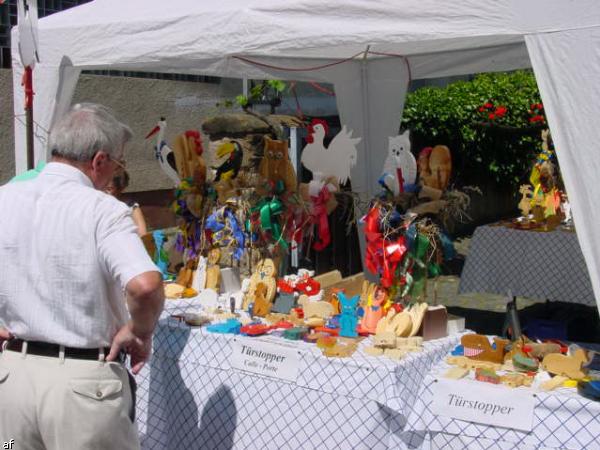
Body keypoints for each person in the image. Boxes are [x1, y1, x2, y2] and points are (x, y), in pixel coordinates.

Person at [0, 103, 165, 449]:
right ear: (99, 160)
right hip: (82, 386)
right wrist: (138, 331)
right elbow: (146, 285)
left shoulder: (5, 198)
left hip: (12, 380)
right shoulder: (104, 210)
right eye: (119, 162)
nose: (116, 172)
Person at [105, 169, 149, 236]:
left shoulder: (130, 206)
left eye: (109, 189)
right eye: (102, 187)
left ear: (120, 189)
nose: (103, 191)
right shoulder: (97, 204)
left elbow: (142, 233)